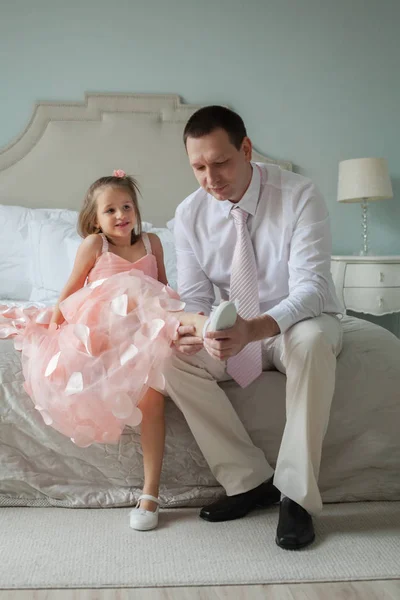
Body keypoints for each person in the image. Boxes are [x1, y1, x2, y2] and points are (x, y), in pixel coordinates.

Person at [0, 170, 237, 532]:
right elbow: (68, 293)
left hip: (144, 331)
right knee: (129, 289)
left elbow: (164, 294)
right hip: (106, 335)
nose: (121, 215)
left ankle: (150, 494)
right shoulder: (95, 246)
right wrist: (53, 336)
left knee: (152, 395)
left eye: (126, 206)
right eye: (110, 210)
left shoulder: (153, 243)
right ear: (95, 220)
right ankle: (204, 324)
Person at [163, 106, 344, 550]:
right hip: (234, 328)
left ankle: (296, 497)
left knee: (314, 341)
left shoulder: (299, 194)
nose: (211, 178)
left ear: (246, 149)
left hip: (293, 321)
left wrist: (255, 328)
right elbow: (195, 300)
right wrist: (199, 327)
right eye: (199, 167)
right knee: (167, 358)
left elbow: (313, 289)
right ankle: (249, 481)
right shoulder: (188, 215)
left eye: (220, 162)